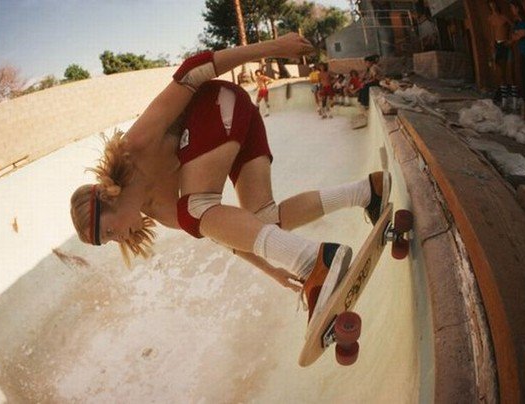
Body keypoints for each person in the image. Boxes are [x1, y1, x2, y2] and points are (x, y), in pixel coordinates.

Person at [69, 34, 392, 325]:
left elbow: (192, 72)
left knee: (193, 209)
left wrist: (273, 48)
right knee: (264, 220)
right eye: (109, 240)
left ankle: (314, 261)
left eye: (109, 230)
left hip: (221, 103)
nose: (118, 238)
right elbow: (228, 234)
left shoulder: (134, 148)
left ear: (106, 196)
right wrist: (272, 270)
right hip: (240, 123)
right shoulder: (162, 215)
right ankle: (367, 192)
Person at [488, 0, 513, 105]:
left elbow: (513, 27)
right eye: (491, 6)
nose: (493, 7)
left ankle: (511, 93)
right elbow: (492, 32)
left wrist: (510, 39)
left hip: (505, 43)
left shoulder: (504, 17)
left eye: (494, 5)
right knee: (499, 70)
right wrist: (492, 45)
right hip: (497, 44)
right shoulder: (490, 19)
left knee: (510, 69)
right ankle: (503, 96)